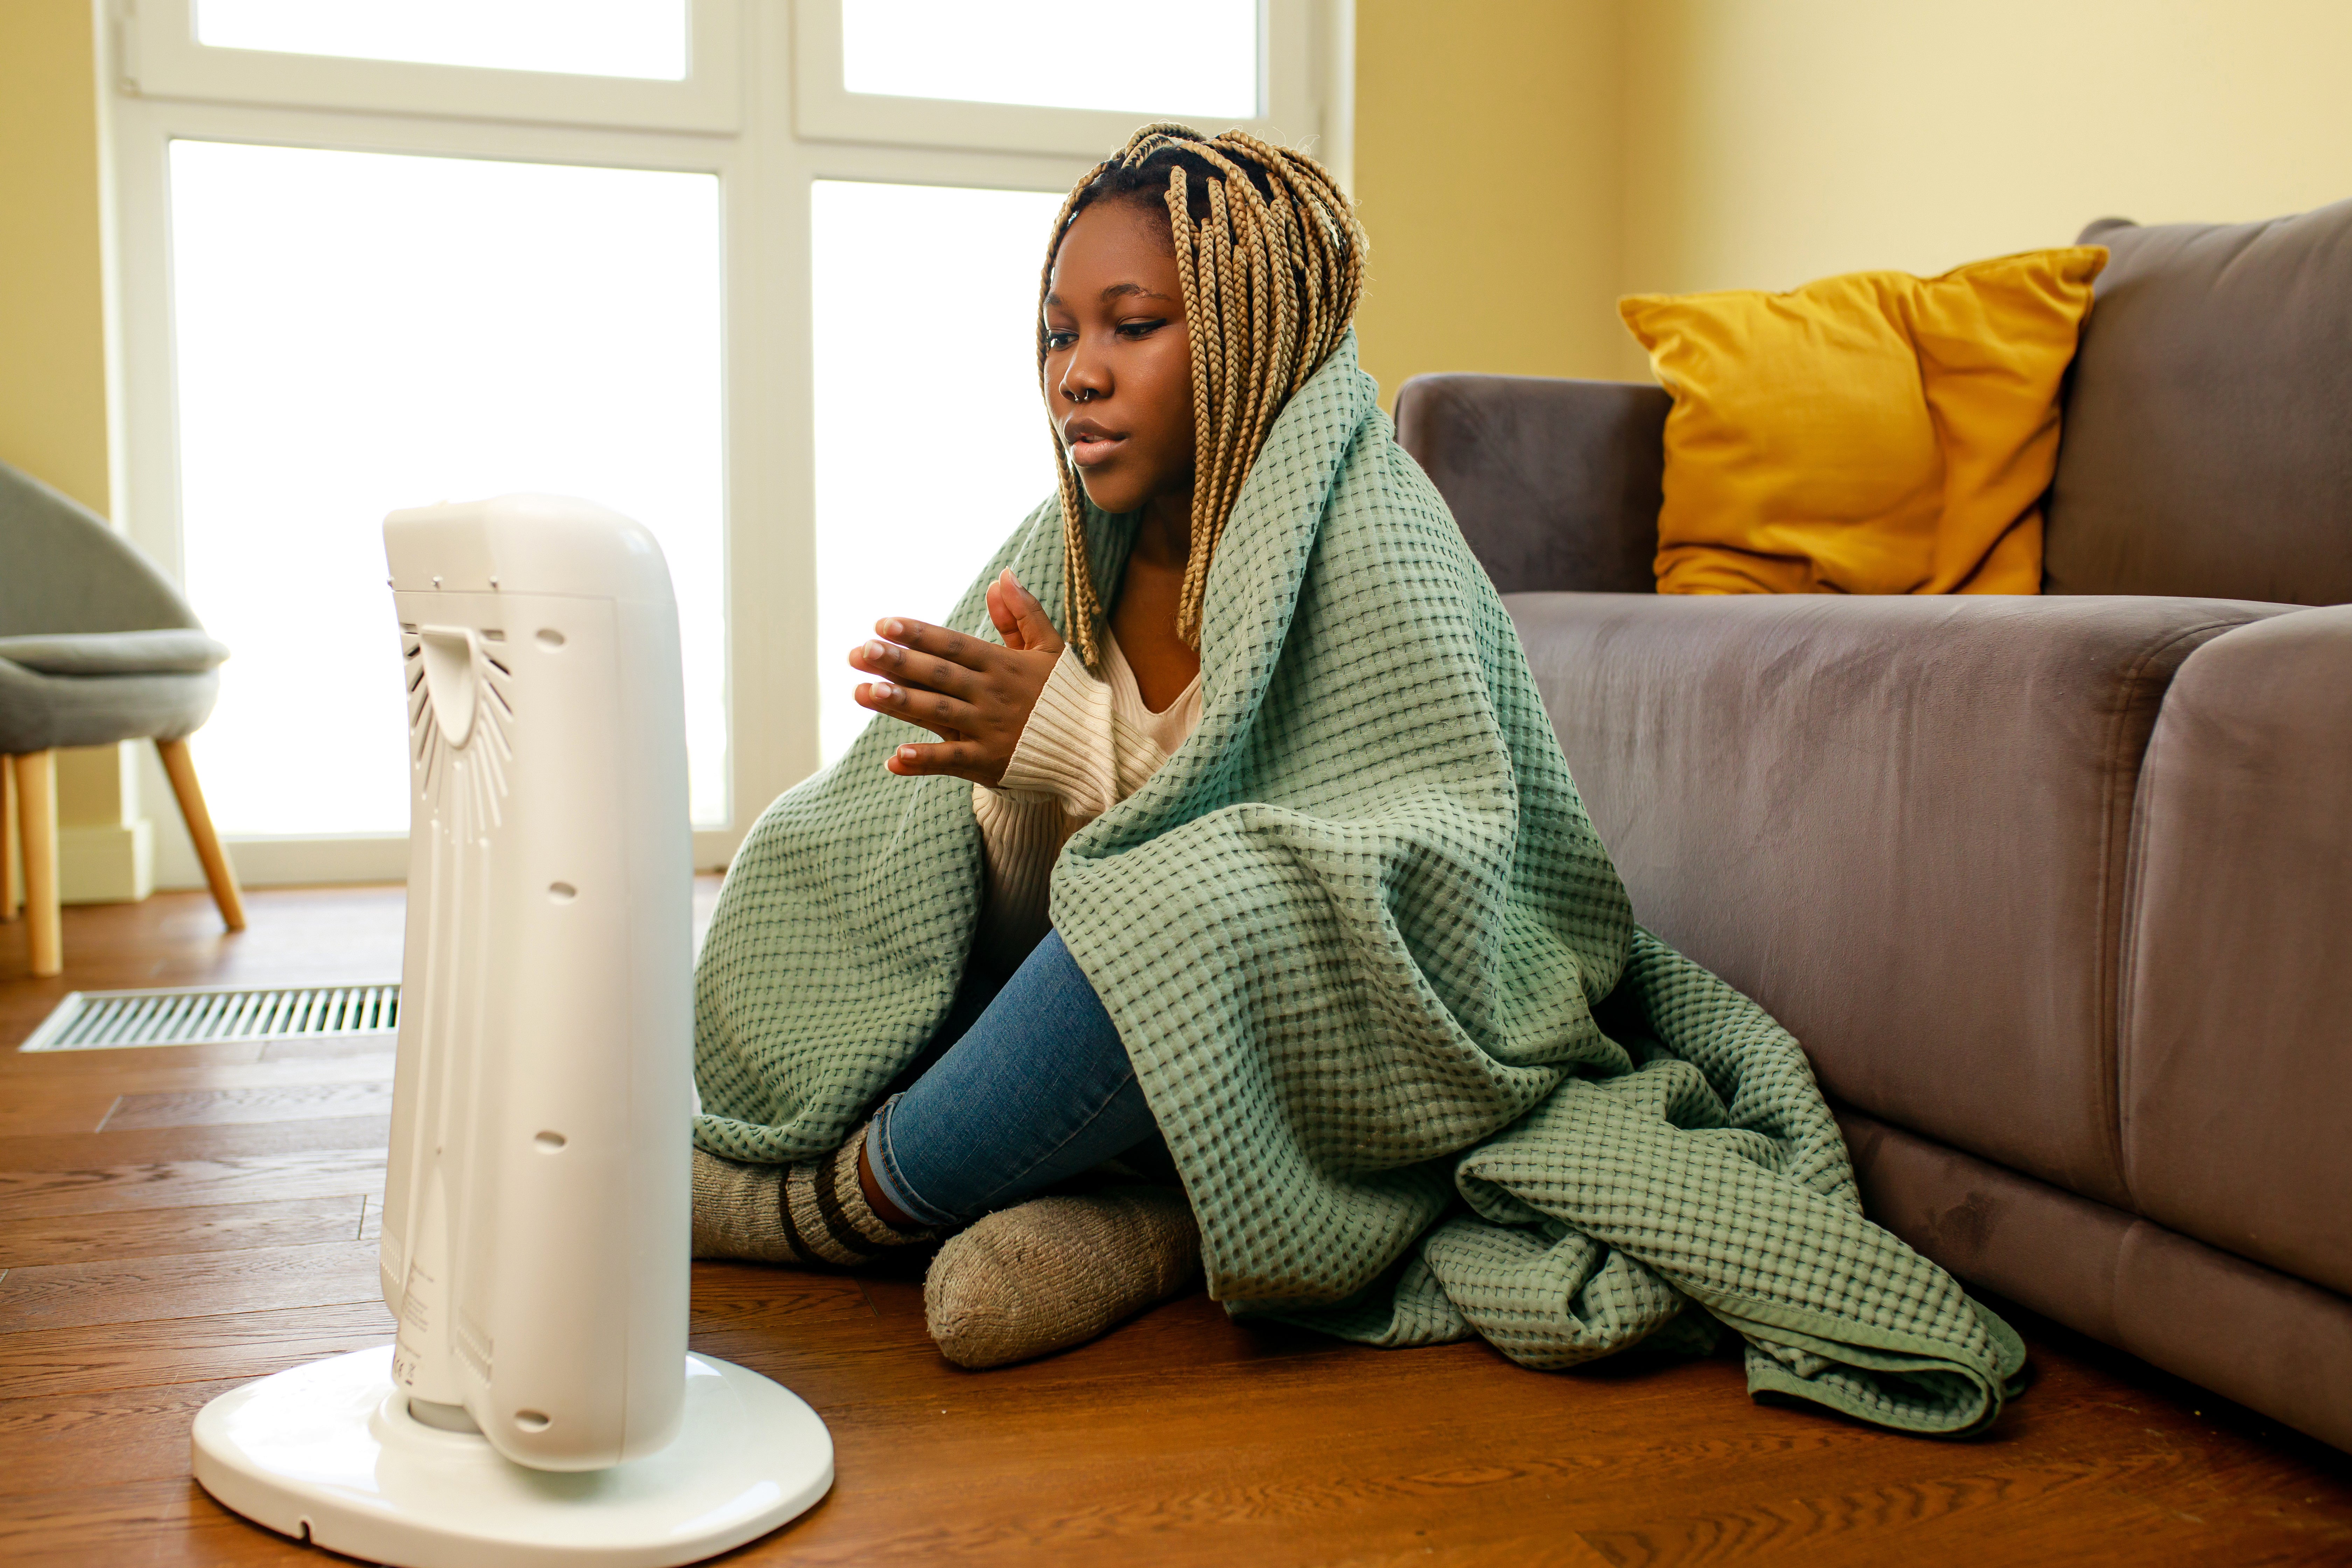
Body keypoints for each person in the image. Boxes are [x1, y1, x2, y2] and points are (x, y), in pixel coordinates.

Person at [690, 126, 2024, 1433]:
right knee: (841, 831)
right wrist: (1006, 787)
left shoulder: (1373, 526)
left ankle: (829, 1212)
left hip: (1354, 1043)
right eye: (1059, 333)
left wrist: (1079, 742)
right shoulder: (1066, 544)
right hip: (1136, 1060)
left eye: (1132, 326)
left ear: (1248, 331)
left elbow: (1427, 869)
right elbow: (1016, 898)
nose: (1078, 376)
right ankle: (1152, 1217)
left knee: (1176, 919)